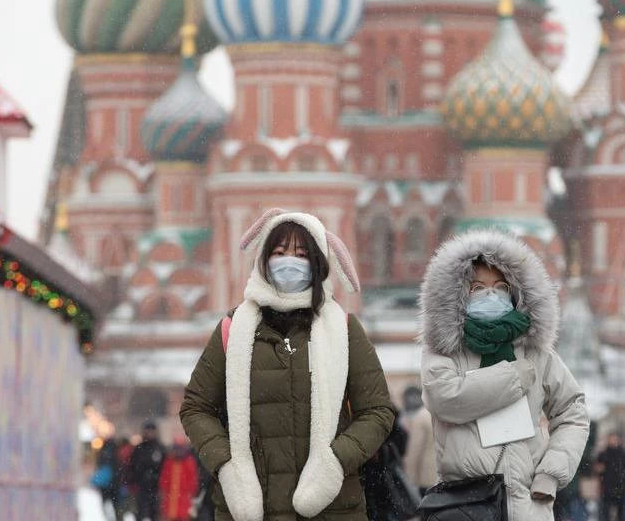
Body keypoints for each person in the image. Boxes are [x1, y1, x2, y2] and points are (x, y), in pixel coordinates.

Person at [179, 209, 395, 521]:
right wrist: (229, 466)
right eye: (279, 252)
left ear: (318, 263)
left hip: (330, 509)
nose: (289, 261)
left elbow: (377, 411)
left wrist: (334, 461)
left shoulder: (344, 330)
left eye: (301, 254)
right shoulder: (234, 329)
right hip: (251, 508)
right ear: (263, 261)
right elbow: (195, 407)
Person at [419, 230, 590, 521]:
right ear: (459, 294)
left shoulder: (536, 353)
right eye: (478, 288)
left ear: (514, 293)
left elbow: (573, 411)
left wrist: (550, 473)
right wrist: (512, 378)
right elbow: (445, 398)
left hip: (529, 507)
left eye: (499, 287)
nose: (490, 294)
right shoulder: (446, 351)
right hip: (468, 505)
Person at [400, 386, 437, 496]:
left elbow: (414, 450)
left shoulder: (421, 417)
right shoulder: (445, 413)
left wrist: (410, 477)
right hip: (447, 474)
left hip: (427, 476)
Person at [131, 420, 166, 521]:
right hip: (141, 487)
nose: (149, 433)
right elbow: (132, 467)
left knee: (156, 514)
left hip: (156, 488)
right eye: (147, 431)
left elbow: (164, 469)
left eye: (151, 431)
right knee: (140, 514)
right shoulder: (139, 449)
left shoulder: (160, 448)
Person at [595, 433, 625, 521]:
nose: (613, 441)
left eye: (614, 439)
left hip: (621, 488)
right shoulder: (603, 454)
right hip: (607, 488)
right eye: (611, 439)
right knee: (605, 514)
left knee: (621, 514)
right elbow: (597, 469)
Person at [160, 438, 200, 521]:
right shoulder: (169, 462)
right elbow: (164, 480)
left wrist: (189, 493)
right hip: (171, 500)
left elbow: (193, 482)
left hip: (183, 500)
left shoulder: (189, 462)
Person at [93, 438, 122, 519]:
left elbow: (98, 465)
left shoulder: (103, 453)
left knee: (106, 504)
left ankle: (109, 518)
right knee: (115, 506)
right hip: (114, 484)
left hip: (106, 484)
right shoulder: (116, 453)